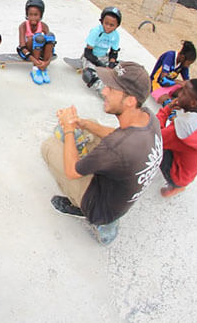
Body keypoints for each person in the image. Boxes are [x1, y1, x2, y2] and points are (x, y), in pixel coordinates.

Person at [41, 61, 162, 245]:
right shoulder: (148, 118)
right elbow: (116, 135)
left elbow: (72, 171)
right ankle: (84, 150)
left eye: (112, 89)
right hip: (120, 191)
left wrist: (68, 128)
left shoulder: (118, 146)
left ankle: (92, 216)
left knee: (49, 147)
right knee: (89, 125)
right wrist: (84, 124)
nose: (104, 91)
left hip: (99, 207)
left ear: (130, 101)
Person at [151, 41, 197, 131]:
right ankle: (174, 125)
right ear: (182, 57)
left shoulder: (183, 64)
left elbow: (187, 81)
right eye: (188, 63)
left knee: (192, 96)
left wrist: (187, 88)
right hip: (156, 85)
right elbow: (163, 79)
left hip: (170, 86)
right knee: (168, 102)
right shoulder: (169, 56)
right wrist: (178, 82)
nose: (188, 66)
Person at [157, 79, 197, 198]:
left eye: (184, 92)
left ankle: (175, 184)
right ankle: (179, 184)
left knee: (151, 146)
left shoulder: (179, 132)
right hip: (188, 173)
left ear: (192, 103)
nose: (178, 93)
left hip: (178, 175)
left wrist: (166, 110)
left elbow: (155, 135)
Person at [78, 6, 122, 93]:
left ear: (117, 26)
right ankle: (102, 91)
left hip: (104, 57)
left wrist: (111, 64)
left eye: (112, 25)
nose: (108, 27)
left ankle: (119, 89)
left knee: (121, 69)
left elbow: (113, 52)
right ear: (102, 21)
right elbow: (88, 53)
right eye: (106, 23)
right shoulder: (96, 31)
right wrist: (99, 64)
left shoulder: (115, 35)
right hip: (91, 57)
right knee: (88, 74)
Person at [17, 0, 56, 85]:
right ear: (27, 14)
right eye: (30, 14)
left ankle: (43, 69)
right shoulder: (23, 26)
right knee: (37, 37)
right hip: (27, 51)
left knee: (50, 36)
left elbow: (50, 44)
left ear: (41, 15)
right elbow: (22, 47)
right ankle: (35, 69)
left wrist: (47, 62)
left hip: (39, 50)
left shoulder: (44, 26)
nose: (33, 17)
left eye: (36, 15)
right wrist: (35, 62)